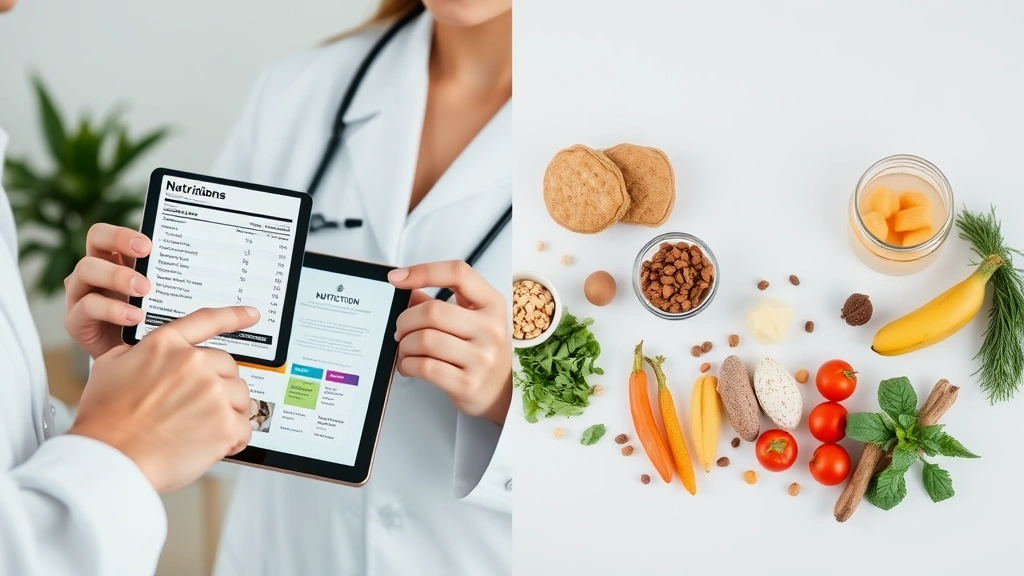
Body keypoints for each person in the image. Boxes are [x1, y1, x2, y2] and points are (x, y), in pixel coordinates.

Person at [63, 0, 514, 574]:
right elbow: (207, 379)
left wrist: (510, 399)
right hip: (284, 552)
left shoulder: (616, 141)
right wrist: (138, 341)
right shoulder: (298, 90)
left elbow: (629, 452)